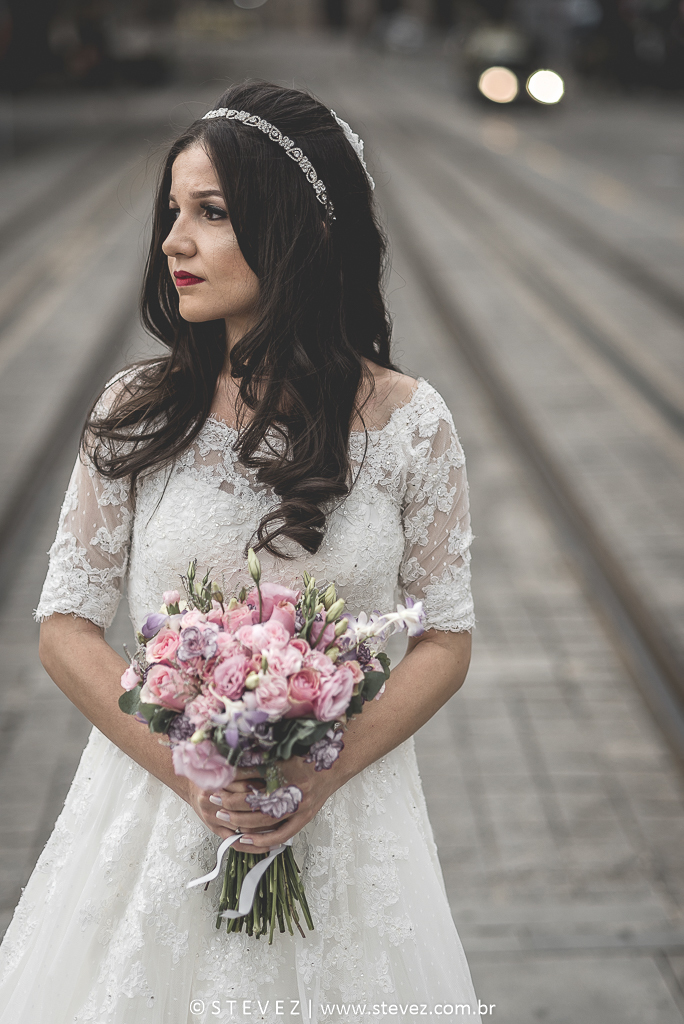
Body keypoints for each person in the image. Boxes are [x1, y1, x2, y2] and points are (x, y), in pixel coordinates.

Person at [0, 82, 480, 1023]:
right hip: (155, 816)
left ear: (295, 229)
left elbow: (446, 639)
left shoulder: (411, 425)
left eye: (210, 214)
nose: (174, 241)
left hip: (347, 827)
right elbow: (64, 624)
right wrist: (189, 769)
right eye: (172, 214)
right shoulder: (135, 411)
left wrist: (323, 771)